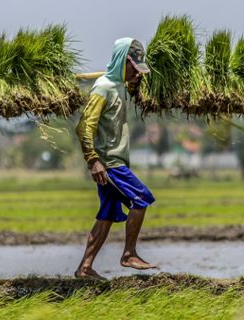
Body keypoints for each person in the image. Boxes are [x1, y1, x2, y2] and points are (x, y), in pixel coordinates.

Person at [74, 38, 156, 279]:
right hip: (109, 164)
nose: (135, 71)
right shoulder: (103, 88)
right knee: (141, 199)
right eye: (133, 66)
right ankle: (129, 254)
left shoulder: (118, 85)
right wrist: (93, 160)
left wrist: (135, 81)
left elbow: (128, 89)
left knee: (107, 214)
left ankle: (84, 268)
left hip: (113, 161)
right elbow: (83, 127)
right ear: (122, 61)